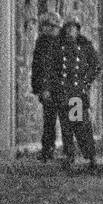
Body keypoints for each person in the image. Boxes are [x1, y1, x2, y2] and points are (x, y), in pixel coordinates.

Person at [51, 16, 100, 171]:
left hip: (76, 93)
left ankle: (90, 155)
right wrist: (54, 86)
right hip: (63, 93)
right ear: (65, 30)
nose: (71, 31)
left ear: (78, 30)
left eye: (74, 28)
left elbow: (96, 65)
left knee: (79, 125)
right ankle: (69, 155)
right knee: (66, 127)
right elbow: (52, 68)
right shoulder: (59, 46)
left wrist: (86, 81)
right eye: (68, 28)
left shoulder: (84, 45)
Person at [31, 9, 65, 162]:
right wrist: (41, 88)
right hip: (49, 89)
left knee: (65, 120)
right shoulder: (43, 43)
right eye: (50, 26)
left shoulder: (59, 43)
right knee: (49, 120)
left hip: (59, 88)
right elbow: (40, 67)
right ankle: (48, 149)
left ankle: (65, 149)